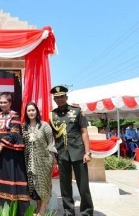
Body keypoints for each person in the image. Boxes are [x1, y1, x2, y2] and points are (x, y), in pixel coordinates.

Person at [50, 85, 93, 216]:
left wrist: (87, 152)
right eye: (57, 98)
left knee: (83, 186)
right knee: (65, 186)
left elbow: (84, 132)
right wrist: (53, 156)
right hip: (62, 153)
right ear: (54, 99)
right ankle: (68, 212)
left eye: (62, 97)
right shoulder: (52, 115)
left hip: (79, 153)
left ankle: (86, 212)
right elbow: (52, 137)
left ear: (66, 97)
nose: (60, 99)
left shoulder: (77, 111)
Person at [0, 92, 30, 216]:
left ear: (10, 103)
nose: (3, 104)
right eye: (1, 102)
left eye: (5, 102)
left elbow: (14, 133)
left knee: (11, 177)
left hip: (11, 154)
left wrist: (1, 145)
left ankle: (15, 209)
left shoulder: (14, 115)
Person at [22, 102, 57, 216]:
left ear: (37, 111)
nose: (31, 112)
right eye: (29, 111)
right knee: (34, 185)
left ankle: (42, 210)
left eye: (33, 110)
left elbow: (51, 143)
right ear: (26, 113)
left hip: (44, 161)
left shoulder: (44, 125)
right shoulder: (24, 126)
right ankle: (37, 207)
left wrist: (53, 160)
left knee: (44, 184)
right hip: (29, 161)